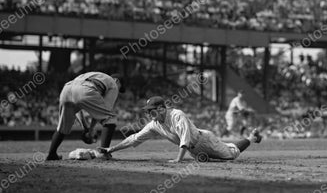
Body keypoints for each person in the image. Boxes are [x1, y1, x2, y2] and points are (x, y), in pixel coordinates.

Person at [99, 96, 262, 162]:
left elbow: (185, 138)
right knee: (209, 159)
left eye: (151, 110)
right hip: (195, 150)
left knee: (231, 155)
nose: (149, 114)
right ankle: (245, 139)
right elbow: (134, 138)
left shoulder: (177, 115)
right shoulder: (155, 124)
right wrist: (111, 148)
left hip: (204, 140)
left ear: (162, 108)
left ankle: (252, 138)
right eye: (147, 111)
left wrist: (178, 159)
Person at [46, 71, 125, 160]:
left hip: (67, 88)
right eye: (120, 88)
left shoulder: (97, 75)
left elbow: (78, 107)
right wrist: (91, 129)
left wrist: (86, 128)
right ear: (117, 81)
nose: (118, 91)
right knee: (110, 119)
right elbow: (105, 111)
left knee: (63, 127)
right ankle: (103, 153)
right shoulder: (113, 83)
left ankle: (51, 154)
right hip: (86, 88)